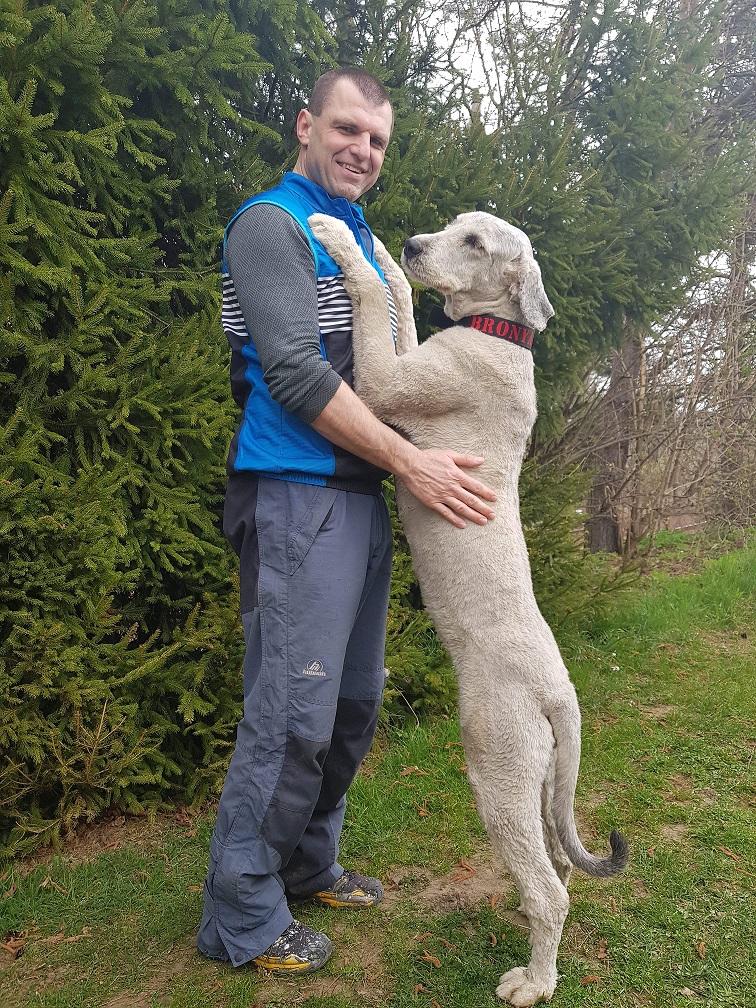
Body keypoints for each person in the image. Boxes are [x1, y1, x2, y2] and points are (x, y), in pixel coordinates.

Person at [197, 67, 496, 974]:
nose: (362, 149)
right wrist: (411, 461)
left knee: (351, 703)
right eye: (346, 129)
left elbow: (393, 370)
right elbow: (294, 372)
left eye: (376, 139)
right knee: (291, 711)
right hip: (296, 497)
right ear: (305, 125)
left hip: (360, 498)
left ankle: (306, 863)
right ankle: (240, 914)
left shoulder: (355, 233)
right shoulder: (271, 225)